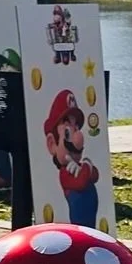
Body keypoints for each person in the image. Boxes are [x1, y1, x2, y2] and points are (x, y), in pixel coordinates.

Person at [44, 87, 100, 225]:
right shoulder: (65, 173)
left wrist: (87, 168)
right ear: (52, 144)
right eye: (68, 131)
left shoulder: (78, 166)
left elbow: (95, 175)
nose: (77, 136)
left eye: (76, 128)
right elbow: (80, 183)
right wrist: (87, 165)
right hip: (79, 222)